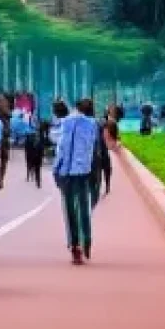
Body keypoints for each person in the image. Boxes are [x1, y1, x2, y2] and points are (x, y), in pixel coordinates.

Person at [53, 97, 98, 265]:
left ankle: (75, 245)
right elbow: (94, 149)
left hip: (67, 172)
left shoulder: (66, 122)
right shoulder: (92, 124)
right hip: (84, 171)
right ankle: (86, 241)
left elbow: (62, 148)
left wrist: (56, 170)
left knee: (70, 209)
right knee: (84, 207)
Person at [0, 93, 12, 190]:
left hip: (3, 138)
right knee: (3, 160)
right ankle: (1, 179)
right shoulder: (2, 112)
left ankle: (1, 180)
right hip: (3, 137)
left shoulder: (1, 112)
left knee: (3, 160)